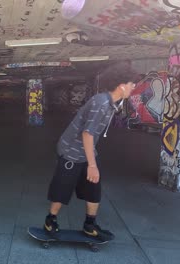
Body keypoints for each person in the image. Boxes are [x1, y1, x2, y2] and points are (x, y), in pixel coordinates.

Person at [43, 62, 138, 241]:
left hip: (87, 151)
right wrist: (92, 165)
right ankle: (50, 220)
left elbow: (90, 137)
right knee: (63, 187)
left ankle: (90, 225)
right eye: (132, 84)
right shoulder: (101, 103)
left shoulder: (111, 103)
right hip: (71, 150)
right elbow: (87, 134)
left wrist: (92, 163)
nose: (134, 87)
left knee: (94, 186)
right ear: (122, 85)